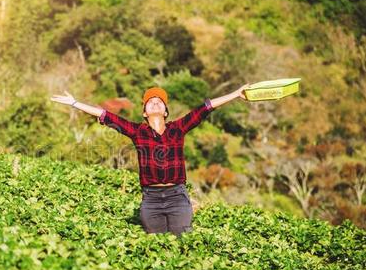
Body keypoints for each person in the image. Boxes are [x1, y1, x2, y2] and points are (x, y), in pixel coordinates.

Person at [50, 84, 249, 236]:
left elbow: (205, 108)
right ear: (145, 113)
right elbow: (106, 116)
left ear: (165, 112)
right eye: (150, 101)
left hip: (177, 197)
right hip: (151, 200)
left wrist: (236, 94)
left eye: (160, 101)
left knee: (183, 245)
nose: (155, 102)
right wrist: (75, 103)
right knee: (155, 249)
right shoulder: (137, 132)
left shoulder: (178, 128)